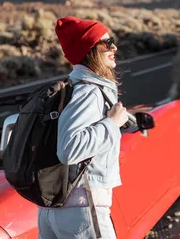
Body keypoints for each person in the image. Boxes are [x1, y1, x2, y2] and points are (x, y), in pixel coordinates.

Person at [37, 16, 129, 239]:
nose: (114, 47)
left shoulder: (72, 89)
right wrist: (112, 123)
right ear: (90, 49)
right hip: (81, 208)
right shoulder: (88, 92)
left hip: (54, 209)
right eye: (107, 43)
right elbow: (69, 149)